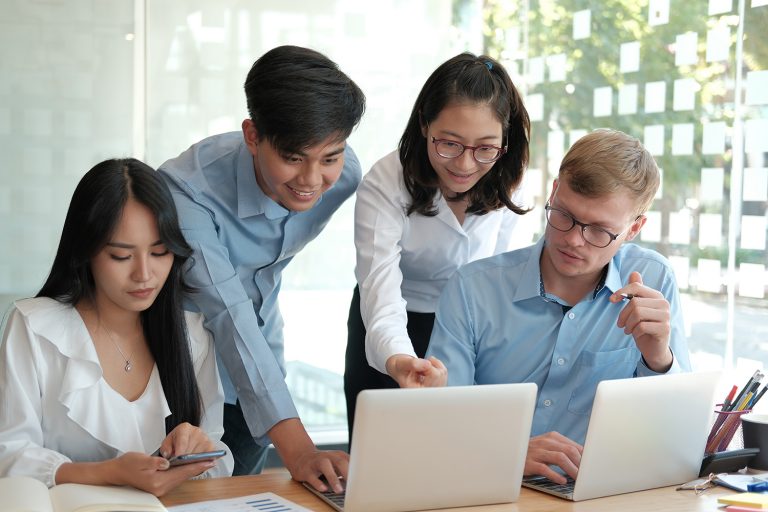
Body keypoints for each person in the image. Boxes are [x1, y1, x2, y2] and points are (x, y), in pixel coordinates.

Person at [425, 129, 692, 484]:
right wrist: (508, 450)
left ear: (633, 229)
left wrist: (658, 358)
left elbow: (678, 434)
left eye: (599, 230)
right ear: (553, 192)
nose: (572, 240)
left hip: (604, 494)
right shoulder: (473, 290)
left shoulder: (654, 278)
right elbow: (436, 423)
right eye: (564, 214)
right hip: (492, 484)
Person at [158, 45, 365, 492]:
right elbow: (226, 310)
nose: (312, 180)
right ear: (253, 135)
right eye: (293, 157)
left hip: (262, 365)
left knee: (244, 495)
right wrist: (301, 449)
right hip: (179, 372)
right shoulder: (188, 192)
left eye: (330, 156)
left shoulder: (344, 176)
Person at [0, 158, 233, 496]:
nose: (144, 274)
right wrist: (109, 472)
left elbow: (218, 457)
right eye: (121, 256)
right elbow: (9, 454)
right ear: (85, 252)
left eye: (159, 252)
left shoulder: (191, 335)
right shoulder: (35, 328)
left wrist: (198, 452)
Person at [344, 52, 530, 437]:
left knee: (463, 453)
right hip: (393, 319)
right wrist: (398, 359)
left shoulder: (509, 183)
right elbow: (380, 289)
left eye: (485, 148)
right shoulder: (386, 181)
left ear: (505, 142)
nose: (464, 165)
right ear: (424, 124)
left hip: (471, 327)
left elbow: (506, 285)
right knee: (384, 455)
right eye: (449, 143)